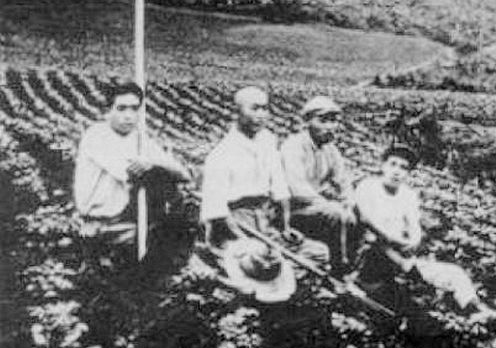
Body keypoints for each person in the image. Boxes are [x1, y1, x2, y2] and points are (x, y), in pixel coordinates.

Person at [354, 144, 496, 323]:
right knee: (379, 249)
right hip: (367, 254)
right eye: (393, 164)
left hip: (400, 257)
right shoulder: (368, 186)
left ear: (409, 173)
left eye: (403, 168)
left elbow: (414, 229)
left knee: (455, 273)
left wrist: (413, 241)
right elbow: (366, 221)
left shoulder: (408, 195)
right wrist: (396, 241)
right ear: (383, 165)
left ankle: (476, 309)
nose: (397, 171)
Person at [73, 81, 188, 266]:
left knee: (172, 196)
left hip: (129, 216)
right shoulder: (97, 136)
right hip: (102, 223)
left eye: (135, 109)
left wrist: (153, 162)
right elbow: (130, 174)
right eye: (121, 108)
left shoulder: (139, 139)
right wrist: (151, 167)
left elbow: (183, 174)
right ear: (108, 110)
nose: (128, 116)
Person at [200, 86, 297, 249]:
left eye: (264, 109)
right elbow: (217, 212)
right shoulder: (221, 154)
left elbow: (280, 190)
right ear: (236, 112)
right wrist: (245, 240)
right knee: (257, 259)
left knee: (317, 252)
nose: (260, 116)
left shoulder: (268, 142)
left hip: (265, 222)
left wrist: (285, 228)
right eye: (254, 109)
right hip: (235, 226)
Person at [281, 96, 359, 274]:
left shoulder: (329, 149)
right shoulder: (294, 146)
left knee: (355, 212)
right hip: (292, 209)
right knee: (335, 213)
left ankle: (353, 265)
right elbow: (296, 189)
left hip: (314, 207)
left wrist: (349, 200)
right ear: (307, 122)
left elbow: (343, 179)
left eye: (333, 121)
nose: (329, 127)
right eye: (323, 121)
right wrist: (327, 203)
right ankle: (338, 268)